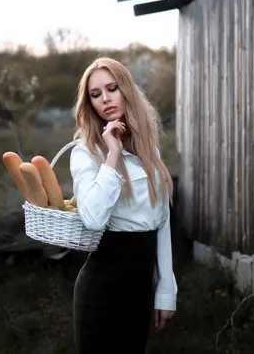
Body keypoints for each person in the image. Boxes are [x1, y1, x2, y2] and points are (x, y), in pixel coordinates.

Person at [69, 57, 177, 353]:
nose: (105, 99)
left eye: (112, 88)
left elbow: (162, 220)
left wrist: (166, 289)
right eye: (95, 94)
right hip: (101, 291)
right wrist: (112, 155)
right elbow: (91, 218)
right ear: (89, 103)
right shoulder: (86, 152)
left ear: (126, 90)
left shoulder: (147, 148)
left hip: (140, 290)